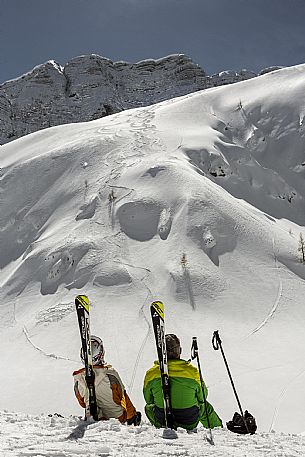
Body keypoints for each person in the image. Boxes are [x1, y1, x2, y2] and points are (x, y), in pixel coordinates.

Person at [143, 333, 222, 431]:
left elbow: (148, 400)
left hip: (162, 419)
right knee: (205, 407)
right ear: (179, 351)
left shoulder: (151, 373)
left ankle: (161, 427)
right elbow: (203, 397)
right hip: (188, 422)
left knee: (148, 408)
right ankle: (218, 429)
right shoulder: (192, 372)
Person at [73, 335, 141, 425]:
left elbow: (82, 403)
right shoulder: (110, 374)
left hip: (93, 417)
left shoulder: (78, 378)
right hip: (117, 417)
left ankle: (96, 416)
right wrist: (132, 415)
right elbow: (122, 396)